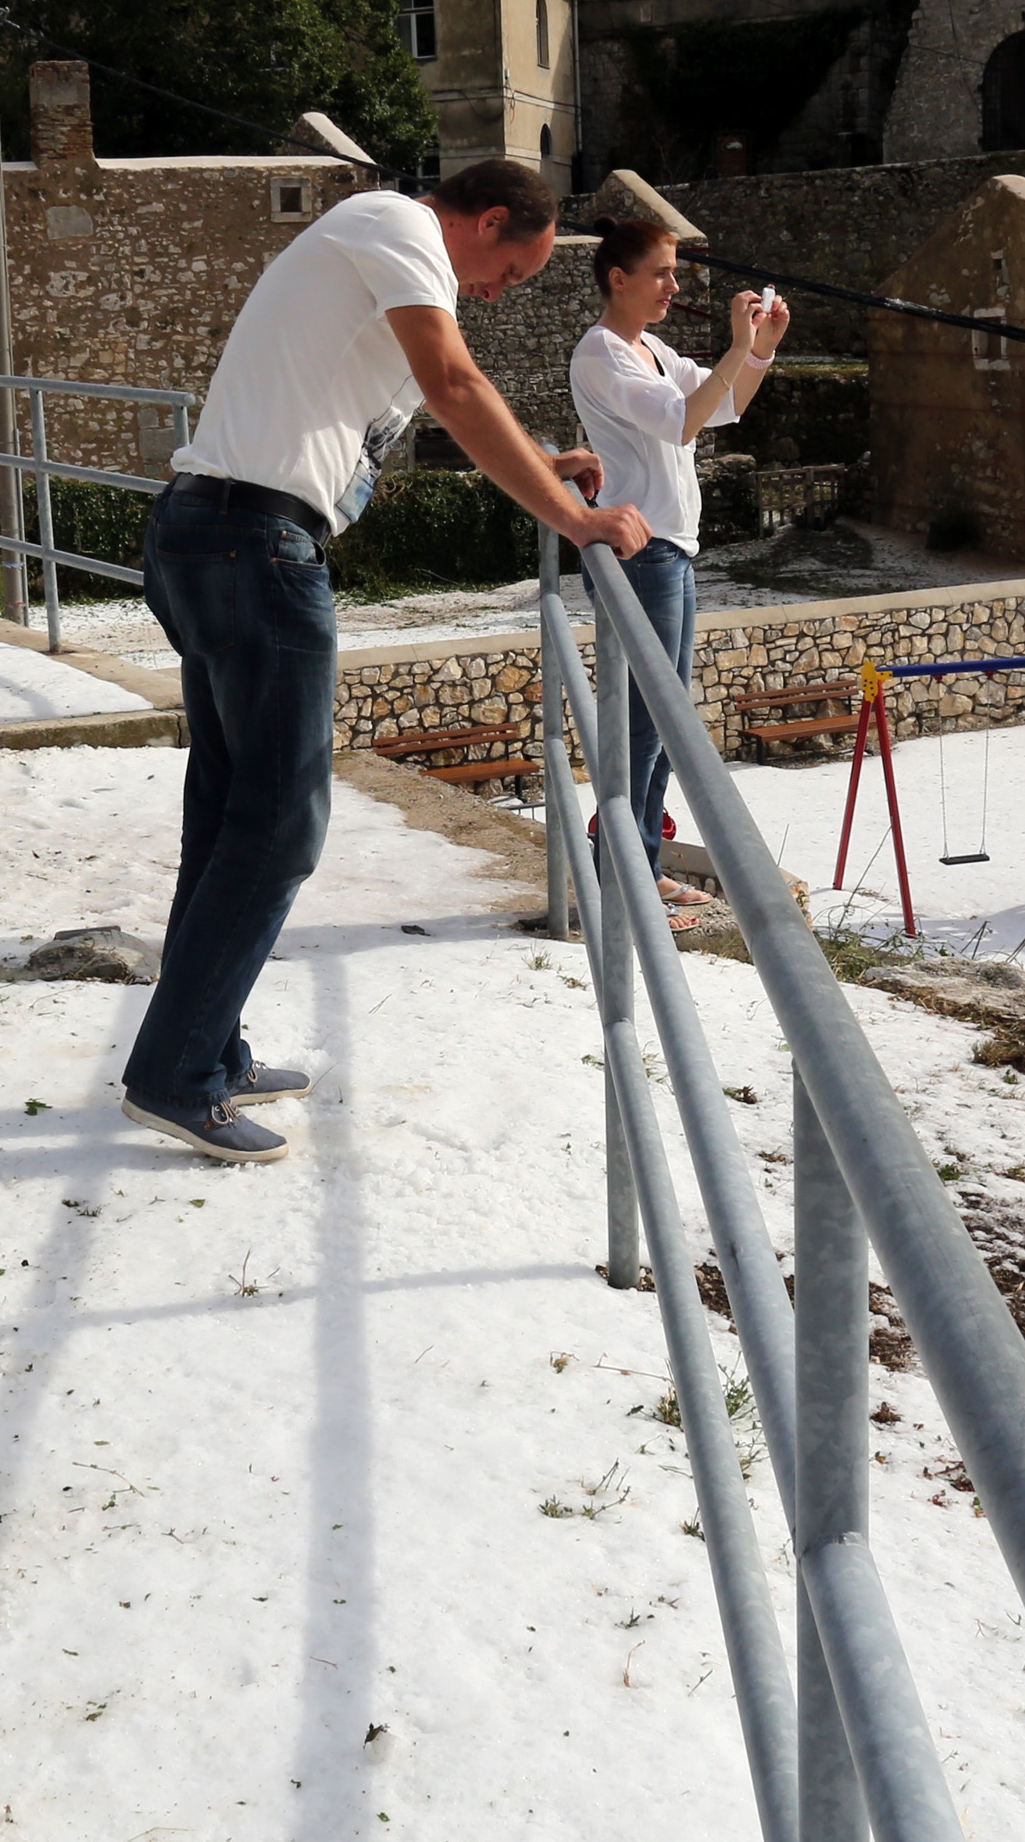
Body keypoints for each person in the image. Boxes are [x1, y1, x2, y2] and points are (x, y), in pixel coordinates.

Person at [122, 160, 648, 1165]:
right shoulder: (395, 226)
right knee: (279, 826)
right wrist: (573, 515)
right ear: (487, 220)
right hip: (249, 545)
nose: (497, 295)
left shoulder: (382, 255)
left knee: (232, 816)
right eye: (510, 271)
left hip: (218, 534)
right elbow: (457, 385)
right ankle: (173, 1075)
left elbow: (407, 410)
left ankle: (206, 1048)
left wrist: (543, 462)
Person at [571, 216, 790, 916]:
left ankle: (642, 862)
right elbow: (680, 423)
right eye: (662, 272)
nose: (673, 284)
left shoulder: (653, 350)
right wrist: (735, 345)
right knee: (647, 720)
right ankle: (622, 869)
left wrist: (758, 352)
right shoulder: (602, 354)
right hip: (641, 553)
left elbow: (720, 405)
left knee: (665, 721)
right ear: (619, 278)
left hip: (672, 550)